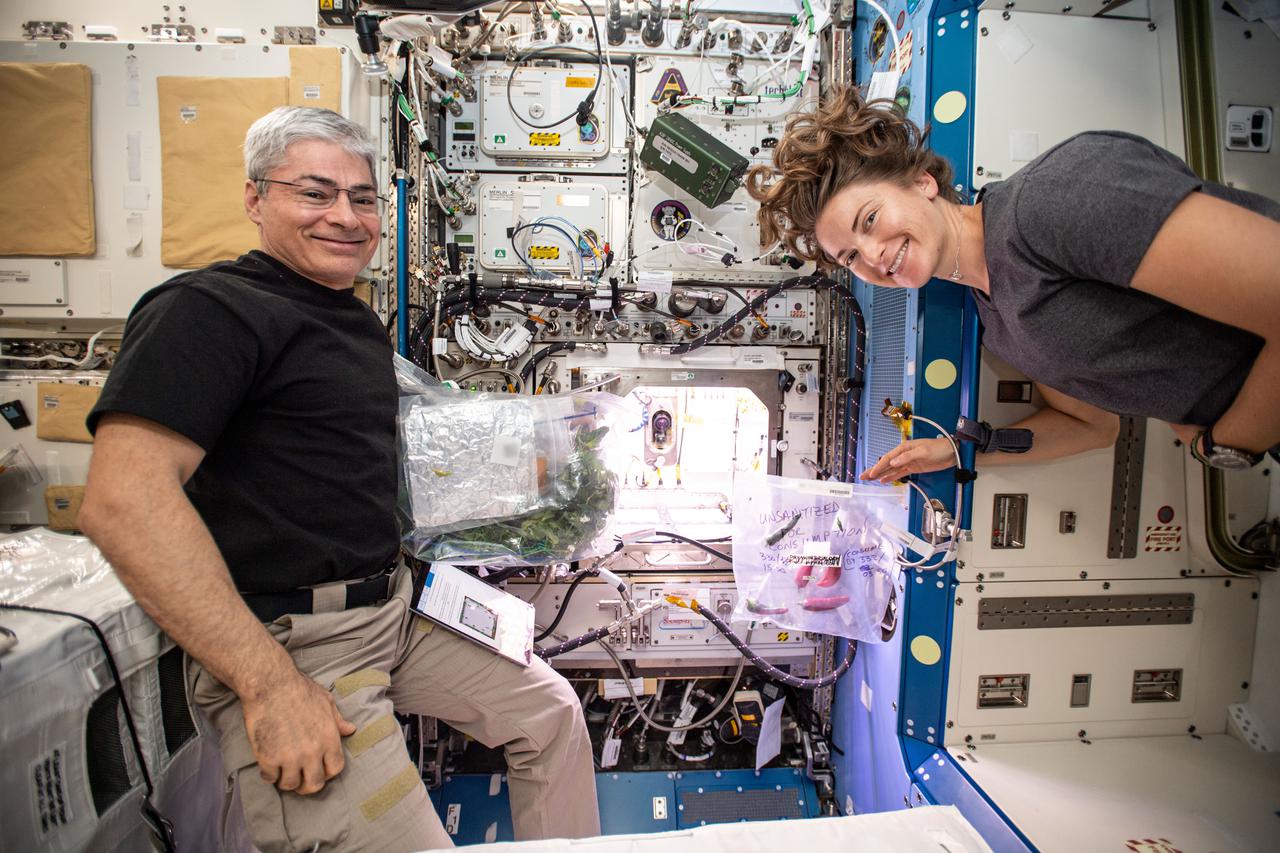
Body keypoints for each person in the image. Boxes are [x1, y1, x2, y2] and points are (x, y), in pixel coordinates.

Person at [78, 106, 600, 852]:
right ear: (256, 198)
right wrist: (269, 686)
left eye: (361, 198)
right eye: (314, 193)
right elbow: (123, 501)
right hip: (296, 646)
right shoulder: (208, 311)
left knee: (549, 713)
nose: (345, 218)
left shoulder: (348, 318)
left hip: (390, 608)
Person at [747, 86, 1280, 481]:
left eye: (868, 221)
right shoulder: (996, 319)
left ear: (922, 182)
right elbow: (1093, 427)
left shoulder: (1051, 203)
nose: (872, 257)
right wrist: (963, 450)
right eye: (850, 258)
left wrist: (1228, 443)